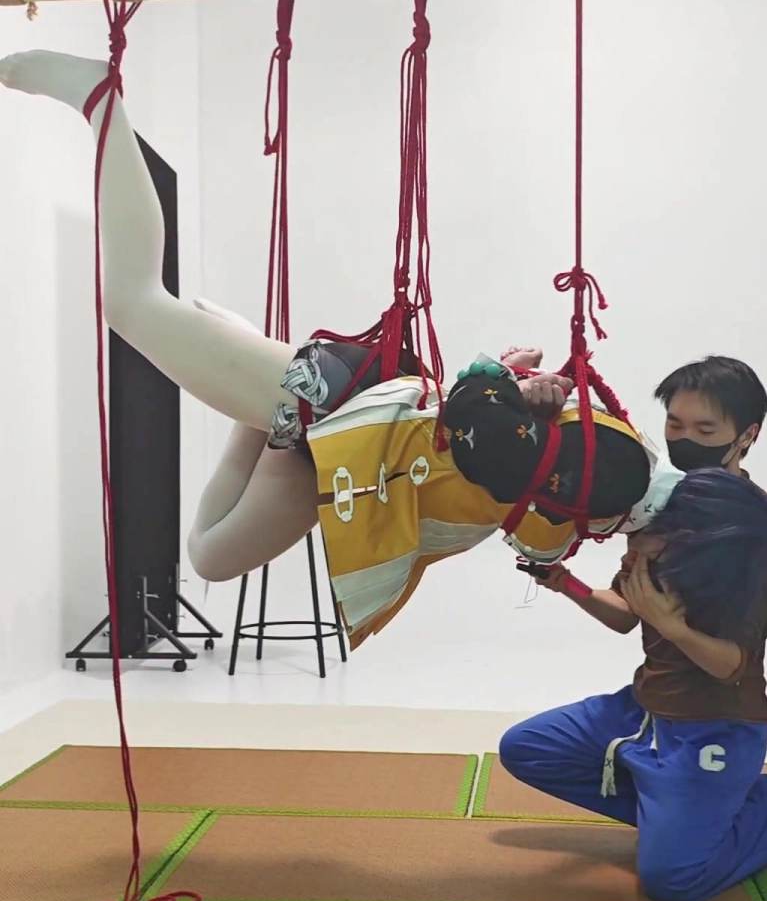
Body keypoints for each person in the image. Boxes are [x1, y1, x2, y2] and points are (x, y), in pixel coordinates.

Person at [0, 49, 657, 649]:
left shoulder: (569, 510)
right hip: (351, 406)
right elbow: (489, 407)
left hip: (346, 471)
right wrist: (516, 381)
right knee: (132, 305)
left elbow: (589, 585)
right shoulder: (590, 462)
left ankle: (256, 388)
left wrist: (568, 574)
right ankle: (99, 99)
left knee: (210, 558)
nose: (632, 553)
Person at [499, 359, 767, 901]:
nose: (685, 440)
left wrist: (670, 625)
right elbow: (625, 614)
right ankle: (685, 815)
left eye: (705, 429)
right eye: (675, 424)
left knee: (673, 883)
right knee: (526, 748)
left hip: (715, 725)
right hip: (644, 710)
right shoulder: (661, 504)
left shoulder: (759, 529)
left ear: (747, 435)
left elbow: (732, 664)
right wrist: (565, 582)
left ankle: (766, 815)